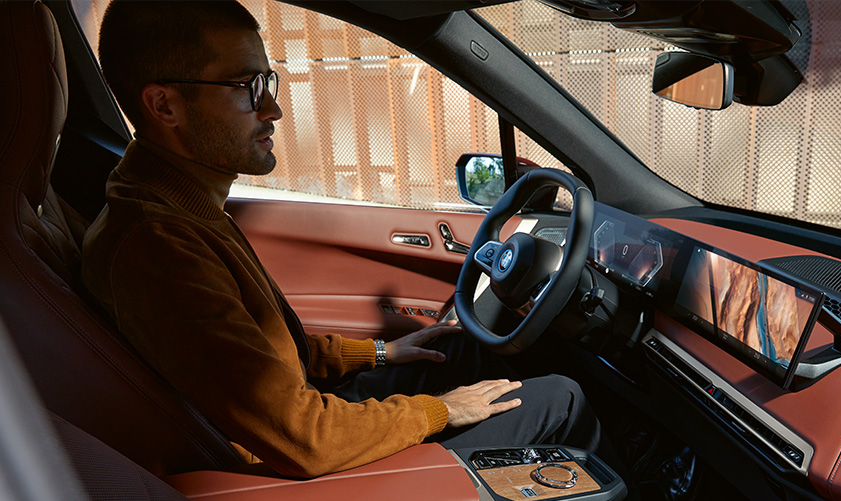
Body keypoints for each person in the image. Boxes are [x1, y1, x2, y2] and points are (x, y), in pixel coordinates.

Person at [82, 0, 605, 479]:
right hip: (297, 474)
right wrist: (444, 410)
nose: (273, 111)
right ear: (164, 106)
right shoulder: (158, 249)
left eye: (269, 82)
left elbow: (268, 356)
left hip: (307, 423)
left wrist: (382, 352)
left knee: (456, 350)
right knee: (559, 400)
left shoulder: (179, 206)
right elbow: (301, 436)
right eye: (247, 88)